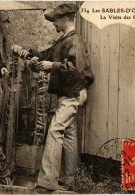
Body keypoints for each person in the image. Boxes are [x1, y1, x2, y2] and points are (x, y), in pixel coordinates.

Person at [29, 3, 94, 192]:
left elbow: (76, 69)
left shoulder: (76, 41)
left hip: (72, 94)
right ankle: (71, 178)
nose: (53, 25)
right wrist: (34, 57)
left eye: (55, 20)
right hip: (66, 94)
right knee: (69, 134)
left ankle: (47, 182)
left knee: (55, 130)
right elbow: (46, 55)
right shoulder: (63, 40)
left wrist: (52, 66)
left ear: (64, 19)